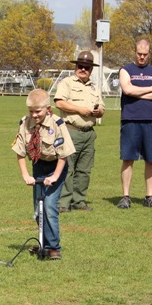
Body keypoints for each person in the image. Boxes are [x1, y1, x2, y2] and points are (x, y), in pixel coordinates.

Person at [12, 89, 75, 260]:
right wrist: (26, 175)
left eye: (38, 111)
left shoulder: (57, 124)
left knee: (48, 205)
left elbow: (63, 154)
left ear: (47, 108)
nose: (34, 115)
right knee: (37, 210)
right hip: (38, 165)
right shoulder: (25, 123)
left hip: (57, 167)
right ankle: (44, 242)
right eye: (31, 111)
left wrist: (54, 177)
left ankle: (53, 247)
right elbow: (20, 151)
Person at [117, 39, 152, 209]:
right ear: (135, 52)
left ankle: (149, 196)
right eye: (139, 54)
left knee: (151, 160)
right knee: (128, 159)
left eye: (145, 55)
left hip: (151, 121)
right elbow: (127, 90)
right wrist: (151, 88)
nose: (142, 57)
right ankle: (125, 196)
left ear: (149, 53)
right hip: (130, 120)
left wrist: (139, 92)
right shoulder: (126, 69)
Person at [54, 50, 105, 212]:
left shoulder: (94, 87)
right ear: (75, 66)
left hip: (89, 133)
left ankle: (79, 201)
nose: (83, 69)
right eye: (80, 66)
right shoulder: (67, 83)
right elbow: (59, 103)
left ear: (91, 70)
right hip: (71, 130)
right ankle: (64, 202)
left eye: (87, 67)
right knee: (67, 168)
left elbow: (102, 107)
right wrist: (80, 110)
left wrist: (99, 112)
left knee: (85, 170)